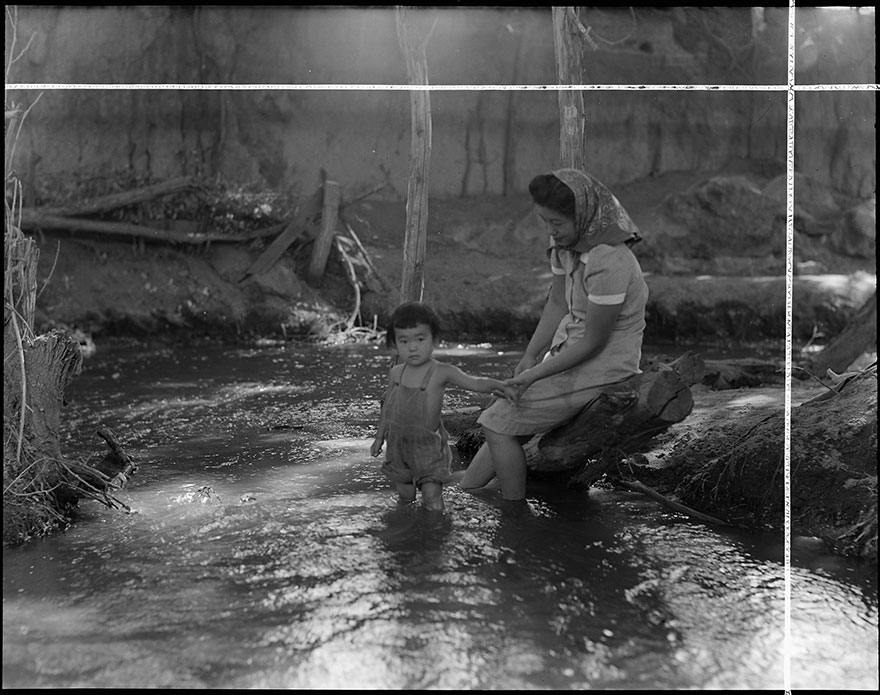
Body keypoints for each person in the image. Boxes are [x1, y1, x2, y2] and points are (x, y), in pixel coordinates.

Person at [458, 168, 649, 501]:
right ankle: (469, 488)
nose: (550, 231)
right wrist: (530, 356)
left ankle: (513, 510)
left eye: (557, 224)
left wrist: (534, 375)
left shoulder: (609, 262)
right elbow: (557, 302)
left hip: (605, 366)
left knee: (497, 421)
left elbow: (594, 342)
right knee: (499, 412)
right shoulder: (567, 244)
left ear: (586, 216)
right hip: (569, 352)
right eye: (544, 222)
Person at [371, 301, 518, 511]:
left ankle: (436, 533)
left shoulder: (441, 371)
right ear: (395, 344)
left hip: (429, 446)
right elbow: (389, 406)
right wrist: (379, 437)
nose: (412, 347)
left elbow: (474, 382)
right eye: (404, 341)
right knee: (405, 496)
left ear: (434, 341)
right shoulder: (396, 372)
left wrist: (497, 385)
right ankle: (406, 531)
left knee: (432, 496)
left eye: (420, 339)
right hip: (398, 444)